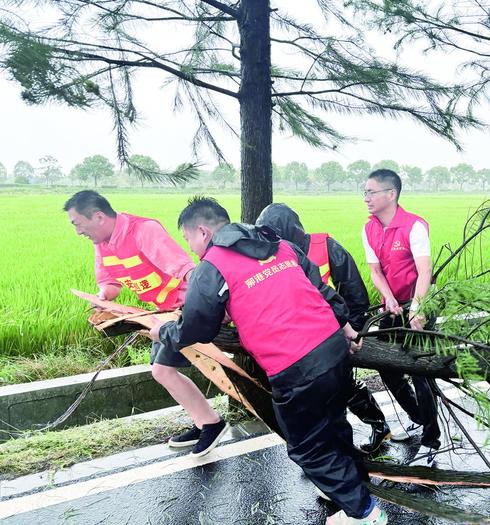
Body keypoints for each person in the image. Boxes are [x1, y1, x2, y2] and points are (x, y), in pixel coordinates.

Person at [150, 197, 387, 525]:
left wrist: (164, 332)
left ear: (203, 231)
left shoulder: (213, 265)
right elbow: (322, 289)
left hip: (296, 365)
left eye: (188, 239)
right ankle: (349, 487)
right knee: (333, 424)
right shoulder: (280, 246)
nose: (190, 247)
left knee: (306, 447)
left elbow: (197, 326)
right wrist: (346, 327)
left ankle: (364, 513)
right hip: (333, 349)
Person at [64, 190, 228, 457]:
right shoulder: (102, 244)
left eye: (78, 224)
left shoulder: (143, 230)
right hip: (161, 312)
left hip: (185, 307)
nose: (78, 231)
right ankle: (206, 421)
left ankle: (211, 423)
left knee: (163, 370)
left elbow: (185, 269)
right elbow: (110, 285)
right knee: (161, 370)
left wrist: (207, 306)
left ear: (98, 216)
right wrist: (102, 298)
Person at [256, 203, 391, 453]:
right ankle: (327, 453)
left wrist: (353, 333)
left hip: (335, 335)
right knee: (319, 394)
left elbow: (356, 294)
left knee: (342, 387)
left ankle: (375, 427)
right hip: (300, 341)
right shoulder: (271, 257)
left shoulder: (327, 248)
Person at [361, 169, 441, 467]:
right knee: (385, 365)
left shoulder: (414, 227)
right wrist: (389, 299)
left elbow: (424, 272)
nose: (366, 198)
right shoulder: (368, 229)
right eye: (365, 192)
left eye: (372, 192)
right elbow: (375, 272)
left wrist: (417, 307)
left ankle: (432, 442)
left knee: (420, 373)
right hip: (392, 308)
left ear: (390, 194)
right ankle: (418, 417)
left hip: (418, 305)